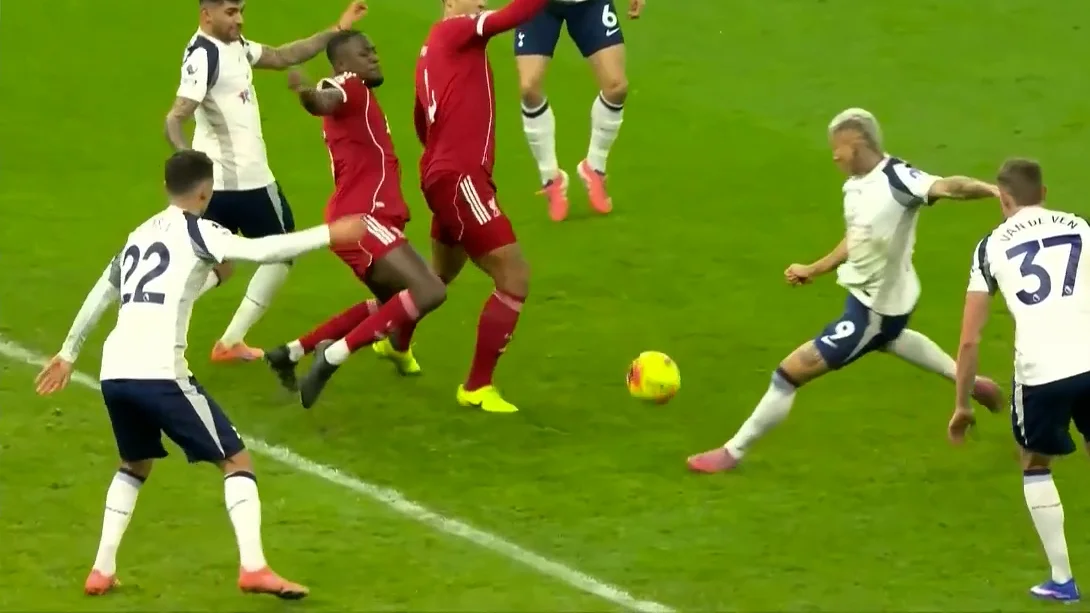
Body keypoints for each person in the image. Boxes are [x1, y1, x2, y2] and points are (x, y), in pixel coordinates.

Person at [34, 150, 367, 598]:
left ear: (166, 188)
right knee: (236, 460)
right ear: (206, 192)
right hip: (160, 373)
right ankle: (254, 567)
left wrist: (68, 352)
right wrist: (330, 233)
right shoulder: (201, 231)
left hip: (115, 372)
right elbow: (263, 250)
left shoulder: (138, 235)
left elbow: (106, 291)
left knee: (135, 463)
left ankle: (101, 569)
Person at [687, 108, 1006, 473]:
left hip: (874, 312)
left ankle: (732, 452)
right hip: (877, 302)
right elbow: (857, 238)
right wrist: (814, 268)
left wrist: (995, 191)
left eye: (837, 148)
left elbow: (948, 187)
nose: (834, 156)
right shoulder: (856, 185)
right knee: (890, 338)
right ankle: (969, 381)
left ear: (857, 144)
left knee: (788, 375)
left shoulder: (898, 179)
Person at [165, 0, 367, 363]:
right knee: (283, 251)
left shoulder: (234, 45)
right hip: (246, 182)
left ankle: (156, 311)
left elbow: (282, 55)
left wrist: (337, 31)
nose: (240, 19)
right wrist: (186, 160)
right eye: (231, 12)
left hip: (213, 187)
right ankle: (229, 341)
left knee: (216, 263)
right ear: (206, 14)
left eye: (241, 10)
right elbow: (175, 118)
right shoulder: (205, 56)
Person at [262, 30, 446, 408]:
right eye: (365, 53)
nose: (374, 57)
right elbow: (324, 99)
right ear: (344, 64)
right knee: (430, 290)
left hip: (362, 217)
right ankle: (332, 356)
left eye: (374, 51)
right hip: (362, 218)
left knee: (392, 301)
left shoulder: (360, 96)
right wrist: (306, 93)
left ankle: (292, 352)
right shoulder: (348, 85)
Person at [950, 158, 1090, 603]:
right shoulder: (1080, 227)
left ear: (1003, 199)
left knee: (1035, 462)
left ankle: (1063, 580)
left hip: (1040, 372)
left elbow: (970, 340)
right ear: (1043, 193)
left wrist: (962, 404)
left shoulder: (990, 247)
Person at [412, 0, 549, 413]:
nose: (483, 3)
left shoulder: (429, 49)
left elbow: (420, 120)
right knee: (514, 276)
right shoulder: (457, 31)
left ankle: (394, 341)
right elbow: (513, 16)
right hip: (461, 178)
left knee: (438, 276)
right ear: (449, 2)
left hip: (441, 174)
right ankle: (476, 386)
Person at [515, 0, 644, 221]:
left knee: (617, 86)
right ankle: (550, 177)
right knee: (529, 88)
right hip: (538, 5)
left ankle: (595, 167)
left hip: (589, 5)